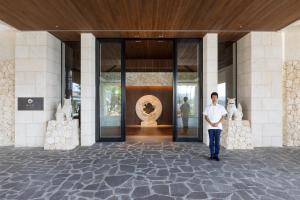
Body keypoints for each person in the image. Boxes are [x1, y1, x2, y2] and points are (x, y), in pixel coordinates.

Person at [203, 92, 227, 161]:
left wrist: (217, 123)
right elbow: (206, 117)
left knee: (217, 142)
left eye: (215, 97)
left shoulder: (221, 107)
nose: (214, 98)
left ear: (217, 98)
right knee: (211, 142)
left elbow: (223, 117)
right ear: (211, 98)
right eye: (213, 97)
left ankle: (216, 155)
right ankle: (211, 155)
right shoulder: (208, 107)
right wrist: (211, 123)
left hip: (218, 127)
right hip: (210, 127)